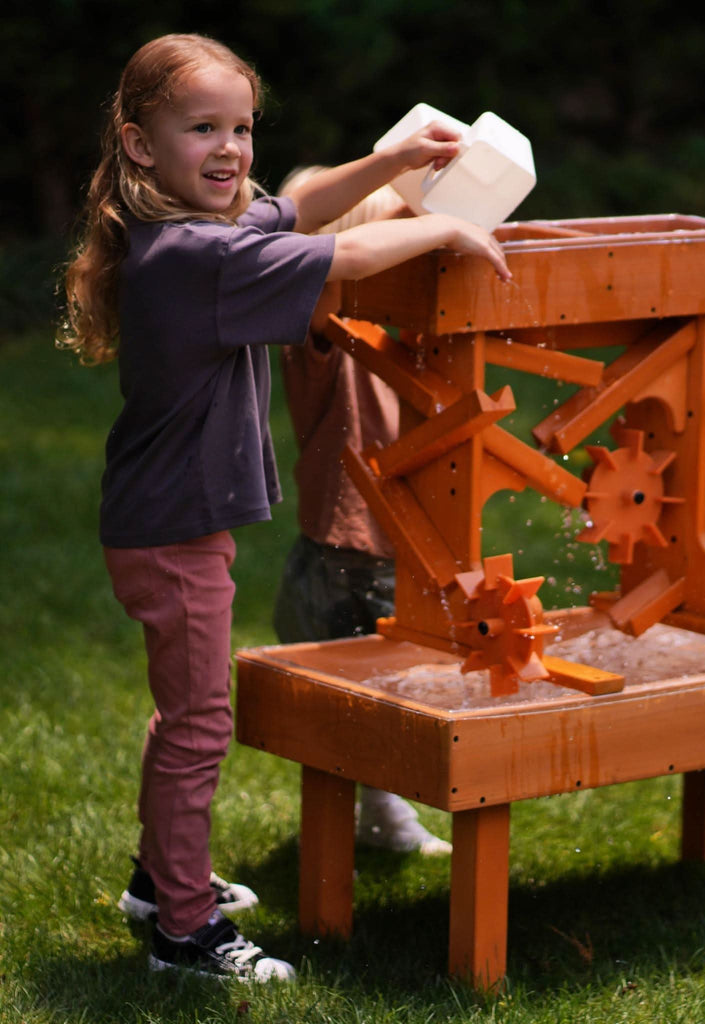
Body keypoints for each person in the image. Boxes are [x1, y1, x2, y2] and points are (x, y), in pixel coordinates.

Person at [60, 32, 509, 982]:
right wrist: (443, 229)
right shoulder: (198, 255)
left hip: (166, 522)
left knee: (182, 716)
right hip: (174, 534)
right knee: (197, 727)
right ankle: (184, 932)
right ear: (140, 144)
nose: (229, 148)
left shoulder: (189, 234)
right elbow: (343, 251)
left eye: (242, 127)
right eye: (202, 129)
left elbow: (299, 206)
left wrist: (393, 160)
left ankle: (157, 881)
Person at [272, 170, 453, 858]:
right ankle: (362, 826)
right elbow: (330, 274)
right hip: (348, 557)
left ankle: (376, 817)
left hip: (371, 548)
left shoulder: (396, 336)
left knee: (375, 695)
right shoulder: (321, 331)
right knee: (364, 700)